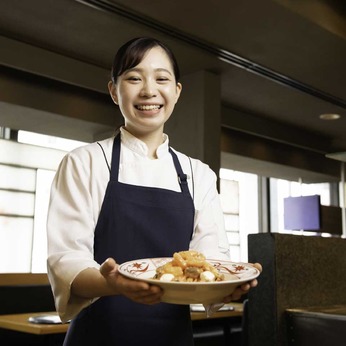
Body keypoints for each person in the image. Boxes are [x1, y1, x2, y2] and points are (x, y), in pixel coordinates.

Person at [47, 37, 261, 346]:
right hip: (97, 336)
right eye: (134, 78)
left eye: (161, 78)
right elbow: (66, 259)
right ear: (113, 90)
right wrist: (117, 285)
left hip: (173, 337)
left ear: (176, 92)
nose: (149, 90)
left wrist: (230, 283)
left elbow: (210, 260)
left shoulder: (198, 174)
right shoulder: (84, 162)